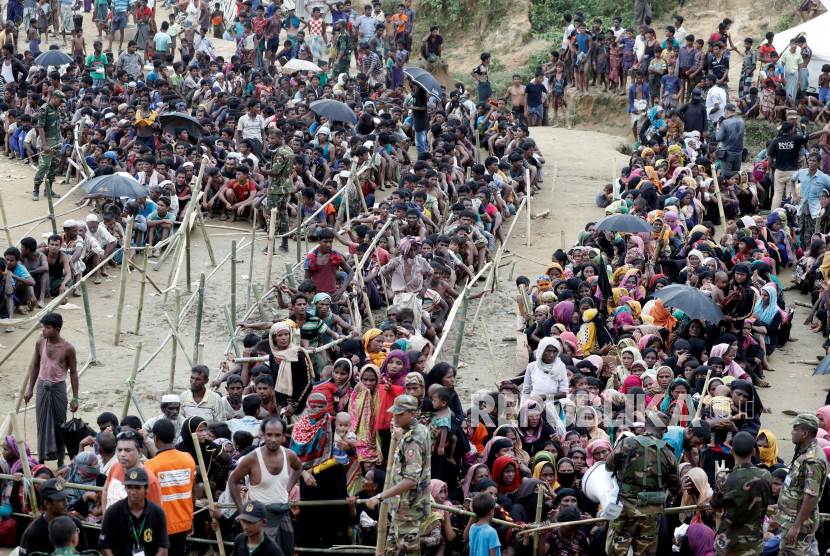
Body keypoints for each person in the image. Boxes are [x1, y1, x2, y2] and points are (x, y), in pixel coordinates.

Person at [604, 412, 681, 556]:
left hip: (625, 509)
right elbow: (676, 488)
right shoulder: (668, 453)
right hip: (652, 514)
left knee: (617, 551)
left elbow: (608, 466)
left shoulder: (627, 443)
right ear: (663, 431)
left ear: (645, 426)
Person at [365, 395, 430, 556]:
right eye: (395, 413)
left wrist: (380, 496)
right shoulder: (418, 430)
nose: (395, 417)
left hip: (409, 507)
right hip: (401, 506)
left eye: (401, 414)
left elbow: (410, 480)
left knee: (409, 552)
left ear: (412, 414)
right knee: (391, 550)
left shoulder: (413, 440)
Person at [229, 417, 302, 556]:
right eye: (269, 434)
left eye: (277, 435)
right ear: (262, 434)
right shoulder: (253, 457)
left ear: (283, 436)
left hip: (283, 514)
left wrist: (287, 488)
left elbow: (299, 468)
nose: (273, 439)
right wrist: (241, 511)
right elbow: (233, 480)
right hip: (260, 518)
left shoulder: (289, 454)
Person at [23, 313, 78, 467]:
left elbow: (73, 373)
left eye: (47, 327)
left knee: (60, 424)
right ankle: (40, 460)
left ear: (57, 329)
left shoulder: (68, 348)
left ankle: (61, 460)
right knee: (41, 424)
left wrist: (75, 398)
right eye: (43, 327)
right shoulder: (40, 343)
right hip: (42, 387)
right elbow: (35, 366)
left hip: (59, 389)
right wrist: (30, 389)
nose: (44, 330)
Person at [771, 414, 828, 556]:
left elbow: (811, 496)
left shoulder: (812, 460)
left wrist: (796, 527)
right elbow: (796, 489)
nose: (792, 432)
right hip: (792, 520)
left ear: (805, 433)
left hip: (800, 525)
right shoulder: (804, 453)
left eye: (795, 429)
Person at [709, 431, 771, 556]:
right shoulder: (766, 476)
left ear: (732, 451)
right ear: (754, 452)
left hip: (728, 545)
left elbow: (715, 506)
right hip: (754, 545)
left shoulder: (724, 480)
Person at [143, 419, 195, 556]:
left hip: (158, 525)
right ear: (174, 436)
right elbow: (192, 492)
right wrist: (190, 519)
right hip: (183, 522)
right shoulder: (188, 459)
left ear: (155, 438)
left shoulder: (149, 466)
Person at [98, 468, 170, 556]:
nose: (132, 492)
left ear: (146, 488)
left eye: (137, 488)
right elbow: (105, 548)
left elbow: (163, 549)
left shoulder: (158, 513)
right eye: (129, 487)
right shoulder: (113, 512)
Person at [19, 479, 91, 555]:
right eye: (60, 500)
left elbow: (84, 552)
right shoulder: (32, 532)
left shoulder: (75, 524)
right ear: (47, 503)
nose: (66, 503)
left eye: (66, 498)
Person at [102, 431, 163, 512]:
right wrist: (105, 518)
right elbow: (105, 490)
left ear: (139, 452)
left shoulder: (150, 480)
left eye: (128, 450)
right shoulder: (115, 467)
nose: (122, 454)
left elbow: (155, 514)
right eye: (119, 450)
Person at [32, 91, 65, 201]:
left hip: (57, 142)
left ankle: (48, 189)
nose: (61, 104)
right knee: (44, 166)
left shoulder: (56, 109)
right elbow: (40, 127)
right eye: (60, 101)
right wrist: (44, 145)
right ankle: (36, 190)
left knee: (54, 166)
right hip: (48, 143)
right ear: (55, 98)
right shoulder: (44, 108)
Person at [715, 103, 745, 172]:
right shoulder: (742, 121)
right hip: (739, 153)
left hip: (728, 153)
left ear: (726, 111)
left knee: (726, 176)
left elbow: (718, 138)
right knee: (736, 175)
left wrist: (718, 128)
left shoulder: (725, 123)